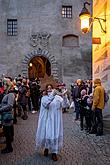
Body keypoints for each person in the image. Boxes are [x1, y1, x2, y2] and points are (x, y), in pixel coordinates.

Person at [36, 84, 63, 161]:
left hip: (55, 120)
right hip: (46, 120)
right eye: (48, 88)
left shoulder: (57, 98)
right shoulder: (44, 98)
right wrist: (52, 95)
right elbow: (46, 104)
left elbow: (64, 105)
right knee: (47, 134)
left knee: (54, 134)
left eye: (51, 88)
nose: (49, 90)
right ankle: (46, 148)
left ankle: (54, 152)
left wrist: (64, 96)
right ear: (45, 90)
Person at [0, 89, 17, 154]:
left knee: (7, 132)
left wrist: (0, 109)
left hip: (6, 115)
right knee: (8, 131)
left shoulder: (11, 94)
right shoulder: (10, 94)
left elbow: (10, 106)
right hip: (6, 115)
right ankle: (9, 145)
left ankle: (9, 148)